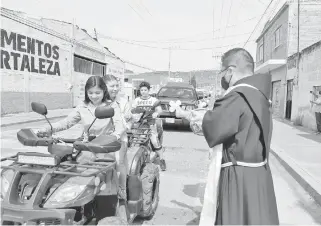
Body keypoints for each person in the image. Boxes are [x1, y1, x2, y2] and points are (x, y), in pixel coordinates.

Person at [176, 48, 279, 225]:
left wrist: (186, 116)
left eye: (222, 72)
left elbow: (215, 127)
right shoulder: (259, 95)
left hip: (238, 176)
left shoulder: (238, 96)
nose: (222, 77)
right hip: (259, 174)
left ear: (230, 71)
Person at [35, 75, 126, 196]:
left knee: (115, 165)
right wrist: (48, 129)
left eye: (97, 92)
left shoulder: (112, 105)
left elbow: (119, 125)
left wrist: (115, 136)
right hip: (88, 145)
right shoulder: (82, 106)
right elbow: (67, 122)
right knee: (71, 168)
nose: (94, 96)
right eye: (90, 93)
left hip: (107, 145)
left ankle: (121, 190)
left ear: (104, 91)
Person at [104, 74, 131, 199]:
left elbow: (128, 122)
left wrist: (118, 132)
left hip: (119, 140)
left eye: (117, 86)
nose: (115, 89)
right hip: (101, 141)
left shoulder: (123, 102)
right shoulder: (98, 101)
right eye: (112, 86)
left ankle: (122, 192)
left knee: (119, 164)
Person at [131, 81, 166, 171]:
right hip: (139, 125)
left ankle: (162, 160)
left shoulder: (154, 100)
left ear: (148, 90)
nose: (143, 92)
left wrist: (156, 113)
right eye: (141, 90)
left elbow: (159, 110)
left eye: (145, 90)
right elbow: (132, 111)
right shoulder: (136, 101)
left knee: (155, 141)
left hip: (150, 124)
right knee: (136, 142)